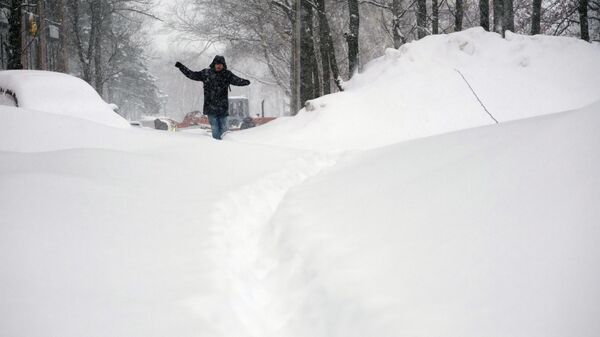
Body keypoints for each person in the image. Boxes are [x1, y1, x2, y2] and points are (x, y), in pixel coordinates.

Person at [175, 55, 250, 140]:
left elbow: (237, 80)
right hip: (210, 108)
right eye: (217, 64)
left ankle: (226, 147)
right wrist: (181, 67)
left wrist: (245, 82)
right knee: (215, 129)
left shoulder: (227, 74)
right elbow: (192, 74)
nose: (219, 66)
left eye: (221, 64)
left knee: (224, 130)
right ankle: (217, 147)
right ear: (214, 64)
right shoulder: (206, 73)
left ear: (223, 65)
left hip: (223, 108)